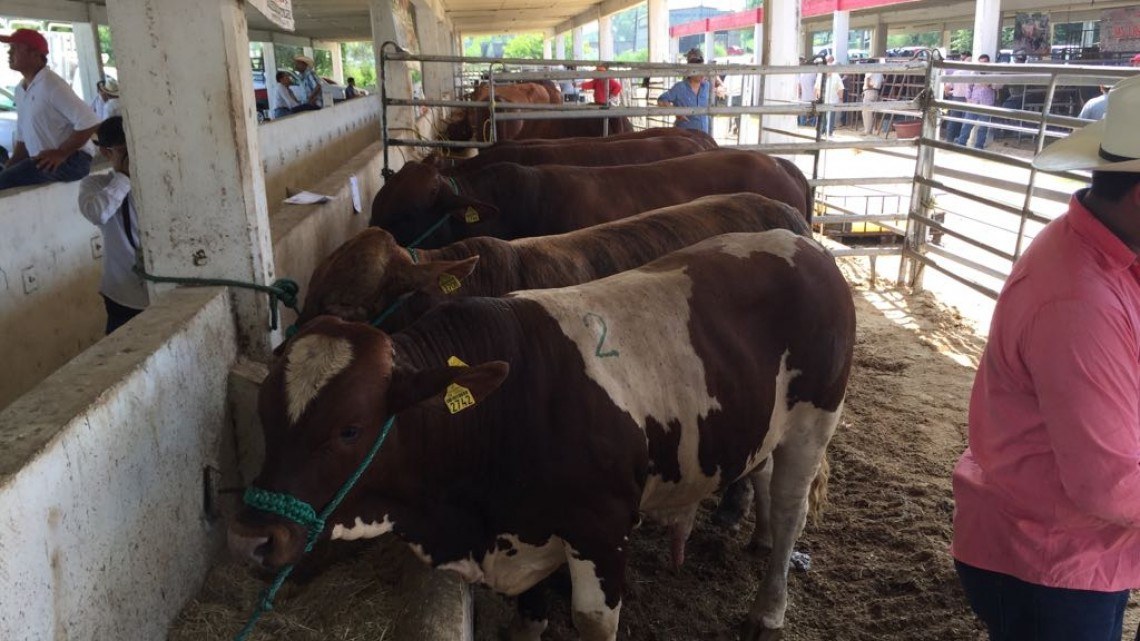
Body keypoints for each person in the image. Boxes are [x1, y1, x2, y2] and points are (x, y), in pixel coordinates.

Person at [952, 74, 1140, 641]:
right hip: (1052, 559)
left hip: (1076, 546)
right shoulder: (1079, 301)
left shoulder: (1107, 254)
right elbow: (1107, 483)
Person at [0, 29, 100, 190]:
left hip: (74, 161)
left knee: (4, 181)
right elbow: (23, 138)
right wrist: (9, 167)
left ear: (35, 54)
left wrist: (61, 153)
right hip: (42, 160)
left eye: (15, 48)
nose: (9, 53)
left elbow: (89, 121)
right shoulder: (20, 89)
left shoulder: (51, 84)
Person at [77, 116, 149, 334]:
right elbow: (97, 213)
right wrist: (123, 176)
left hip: (161, 286)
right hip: (123, 294)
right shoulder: (95, 185)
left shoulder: (154, 179)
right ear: (107, 153)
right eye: (124, 150)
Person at [657, 49, 715, 135]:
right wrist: (676, 112)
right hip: (685, 137)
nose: (702, 74)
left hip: (704, 136)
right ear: (691, 72)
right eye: (699, 71)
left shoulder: (706, 85)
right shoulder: (680, 87)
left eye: (703, 71)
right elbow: (661, 100)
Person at [955, 53, 998, 149]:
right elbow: (968, 86)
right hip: (974, 101)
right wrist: (968, 98)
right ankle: (961, 143)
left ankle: (979, 146)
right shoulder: (974, 72)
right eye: (981, 63)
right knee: (967, 124)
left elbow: (999, 86)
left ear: (989, 63)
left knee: (983, 127)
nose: (982, 65)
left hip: (987, 103)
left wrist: (989, 84)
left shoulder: (993, 73)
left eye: (985, 62)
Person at [943, 53, 971, 142]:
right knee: (965, 121)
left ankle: (949, 139)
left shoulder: (957, 73)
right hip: (969, 99)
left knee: (953, 119)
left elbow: (947, 86)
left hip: (957, 98)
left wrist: (947, 94)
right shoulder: (973, 73)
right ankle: (960, 139)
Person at [819, 56, 845, 136]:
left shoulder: (836, 76)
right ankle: (822, 131)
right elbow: (817, 87)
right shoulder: (821, 76)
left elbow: (840, 88)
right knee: (822, 117)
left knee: (831, 117)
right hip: (823, 100)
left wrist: (840, 99)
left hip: (833, 100)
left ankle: (829, 131)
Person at [861, 62, 884, 135]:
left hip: (869, 91)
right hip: (876, 91)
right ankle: (872, 128)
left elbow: (867, 80)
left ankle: (867, 130)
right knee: (872, 112)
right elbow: (883, 81)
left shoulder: (870, 70)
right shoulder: (879, 72)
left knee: (866, 112)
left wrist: (870, 87)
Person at [796, 57, 818, 127]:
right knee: (814, 111)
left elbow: (799, 86)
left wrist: (799, 94)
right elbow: (817, 84)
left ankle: (802, 124)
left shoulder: (801, 73)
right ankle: (811, 124)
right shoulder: (814, 74)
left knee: (803, 111)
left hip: (803, 96)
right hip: (812, 96)